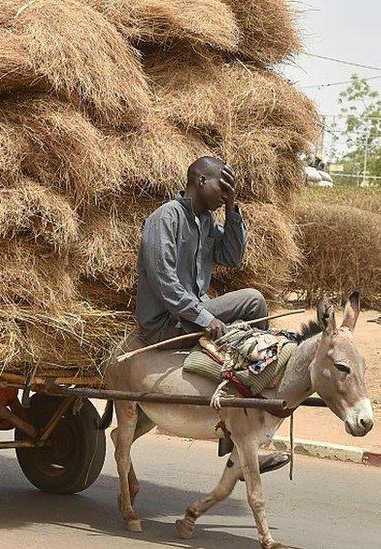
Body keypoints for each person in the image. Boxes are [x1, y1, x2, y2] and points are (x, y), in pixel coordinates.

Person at [135, 156, 288, 474]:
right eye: (224, 185)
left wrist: (232, 208)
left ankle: (243, 427)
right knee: (254, 301)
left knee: (252, 306)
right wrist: (206, 319)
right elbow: (165, 282)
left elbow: (232, 256)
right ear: (201, 181)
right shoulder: (166, 218)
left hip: (191, 315)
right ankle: (249, 425)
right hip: (166, 323)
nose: (226, 192)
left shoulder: (205, 222)